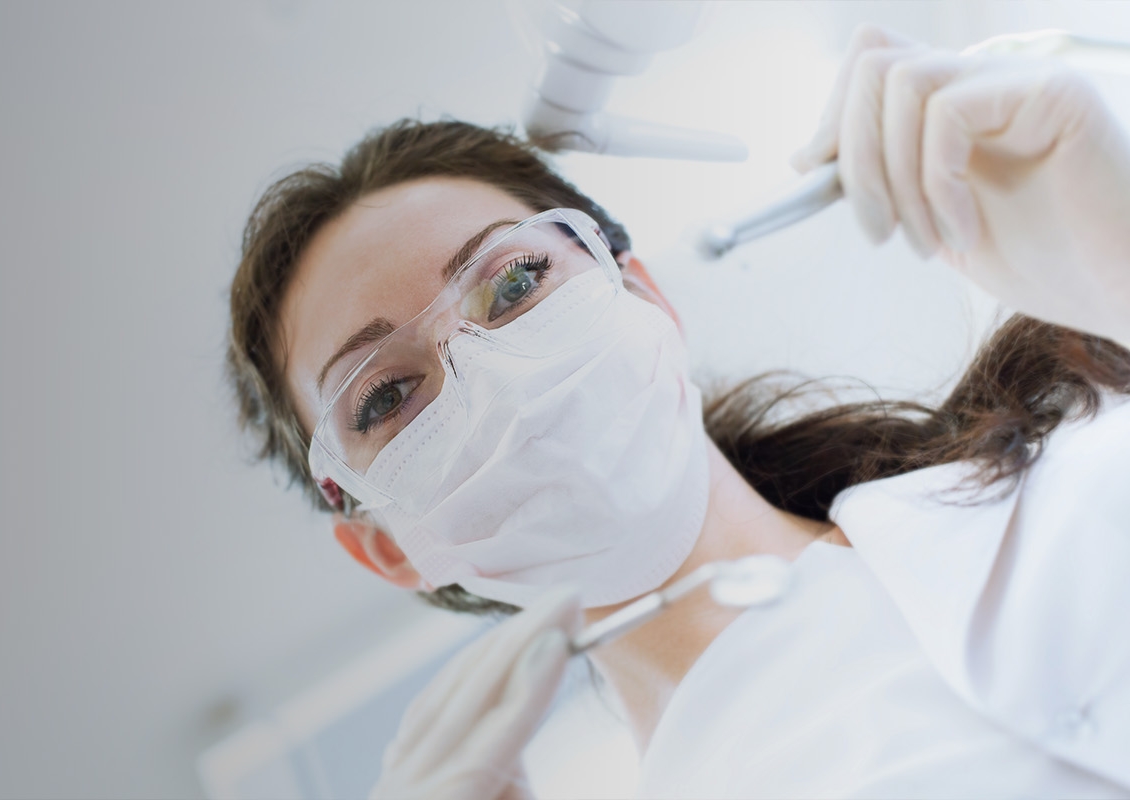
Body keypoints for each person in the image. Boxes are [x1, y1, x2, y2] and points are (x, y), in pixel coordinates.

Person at [225, 24, 1130, 799]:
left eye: (513, 282)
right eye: (386, 395)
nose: (484, 370)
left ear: (645, 297)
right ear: (385, 548)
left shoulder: (1060, 469)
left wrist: (1118, 255)